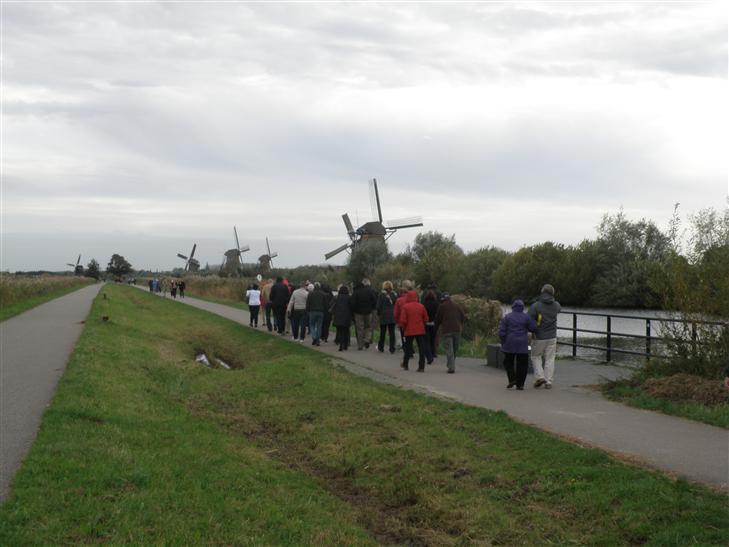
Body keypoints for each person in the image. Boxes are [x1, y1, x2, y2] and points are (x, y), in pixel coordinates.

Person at [499, 299, 537, 389]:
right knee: (523, 364)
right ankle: (520, 384)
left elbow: (502, 332)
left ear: (513, 307)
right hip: (522, 344)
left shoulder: (507, 317)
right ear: (522, 308)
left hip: (510, 343)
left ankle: (512, 379)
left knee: (508, 362)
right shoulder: (526, 317)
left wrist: (503, 341)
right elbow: (533, 328)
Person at [529, 284, 562, 389]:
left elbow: (529, 318)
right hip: (552, 336)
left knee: (536, 356)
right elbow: (558, 310)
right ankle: (548, 381)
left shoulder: (536, 305)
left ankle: (540, 377)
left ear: (542, 292)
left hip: (539, 336)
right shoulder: (557, 305)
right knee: (550, 358)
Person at [434, 292, 466, 374]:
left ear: (443, 299)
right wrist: (460, 324)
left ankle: (451, 366)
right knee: (454, 349)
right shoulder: (457, 306)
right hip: (457, 330)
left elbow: (438, 319)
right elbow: (463, 316)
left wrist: (435, 329)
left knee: (449, 350)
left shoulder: (442, 306)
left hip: (447, 330)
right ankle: (451, 365)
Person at [398, 289, 429, 372]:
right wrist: (423, 324)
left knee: (408, 348)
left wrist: (403, 328)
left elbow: (403, 320)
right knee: (421, 348)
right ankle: (421, 367)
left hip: (409, 330)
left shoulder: (405, 307)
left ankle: (405, 364)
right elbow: (426, 318)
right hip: (420, 330)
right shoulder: (421, 306)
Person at [351, 278, 377, 350]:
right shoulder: (370, 291)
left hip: (358, 313)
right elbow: (375, 301)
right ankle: (367, 339)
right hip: (368, 312)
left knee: (360, 328)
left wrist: (354, 310)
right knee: (368, 327)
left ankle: (360, 345)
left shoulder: (357, 291)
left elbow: (352, 302)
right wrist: (371, 307)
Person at [376, 281, 398, 354]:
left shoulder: (381, 295)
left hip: (383, 315)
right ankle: (392, 348)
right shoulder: (395, 294)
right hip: (392, 315)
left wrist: (378, 314)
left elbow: (378, 306)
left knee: (382, 332)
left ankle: (381, 347)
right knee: (392, 333)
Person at [330, 285, 353, 351]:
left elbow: (331, 305)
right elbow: (352, 307)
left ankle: (341, 344)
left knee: (340, 331)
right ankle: (346, 344)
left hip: (338, 316)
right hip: (347, 316)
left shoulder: (337, 297)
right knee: (346, 331)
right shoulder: (349, 298)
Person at [423, 289, 440, 360]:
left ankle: (428, 353)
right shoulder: (437, 304)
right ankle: (433, 353)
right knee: (433, 339)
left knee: (427, 339)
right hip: (434, 323)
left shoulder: (424, 303)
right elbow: (438, 314)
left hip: (426, 323)